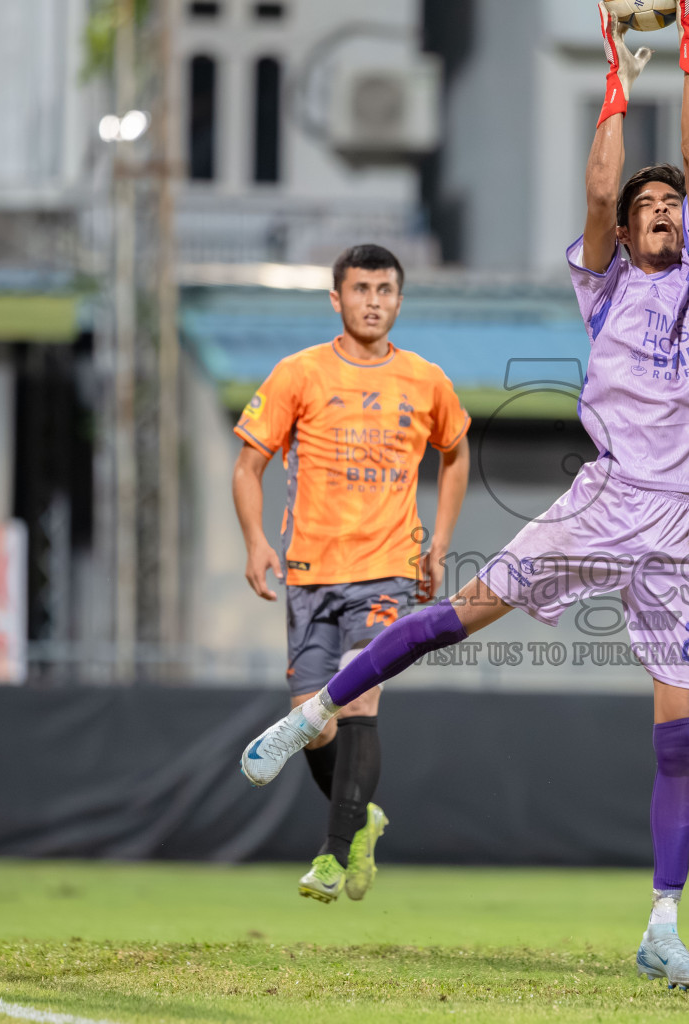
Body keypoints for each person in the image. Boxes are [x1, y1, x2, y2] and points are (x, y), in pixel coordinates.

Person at [239, 0, 689, 991]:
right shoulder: (610, 282)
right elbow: (604, 188)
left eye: (669, 207)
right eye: (649, 210)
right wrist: (613, 73)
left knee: (680, 734)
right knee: (455, 616)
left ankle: (664, 924)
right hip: (613, 496)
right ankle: (315, 711)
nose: (662, 214)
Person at [232, 243, 471, 904]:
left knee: (359, 698)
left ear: (400, 298)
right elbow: (247, 465)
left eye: (385, 289)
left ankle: (334, 857)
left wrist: (439, 541)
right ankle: (362, 818)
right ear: (336, 300)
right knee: (313, 722)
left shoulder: (426, 380)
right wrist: (256, 542)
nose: (374, 301)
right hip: (310, 573)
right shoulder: (298, 374)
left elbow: (456, 453)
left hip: (389, 571)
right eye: (361, 289)